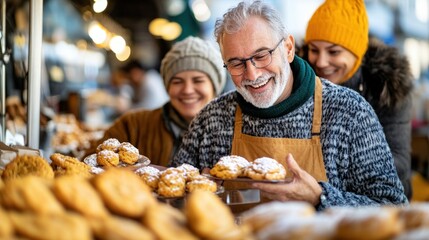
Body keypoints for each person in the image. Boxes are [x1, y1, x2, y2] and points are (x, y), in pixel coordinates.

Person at [170, 0, 408, 211]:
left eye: (262, 55)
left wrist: (320, 197)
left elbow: (394, 208)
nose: (252, 74)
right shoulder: (211, 119)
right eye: (236, 63)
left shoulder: (349, 112)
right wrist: (192, 194)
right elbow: (171, 197)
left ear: (288, 48)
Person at [300, 0, 414, 199]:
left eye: (334, 52)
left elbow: (400, 163)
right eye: (314, 50)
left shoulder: (388, 88)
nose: (320, 62)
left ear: (357, 52)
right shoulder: (299, 81)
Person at [83, 36, 227, 166]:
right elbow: (87, 163)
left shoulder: (236, 131)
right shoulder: (133, 126)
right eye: (177, 81)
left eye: (198, 80)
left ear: (215, 86)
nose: (187, 90)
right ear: (167, 86)